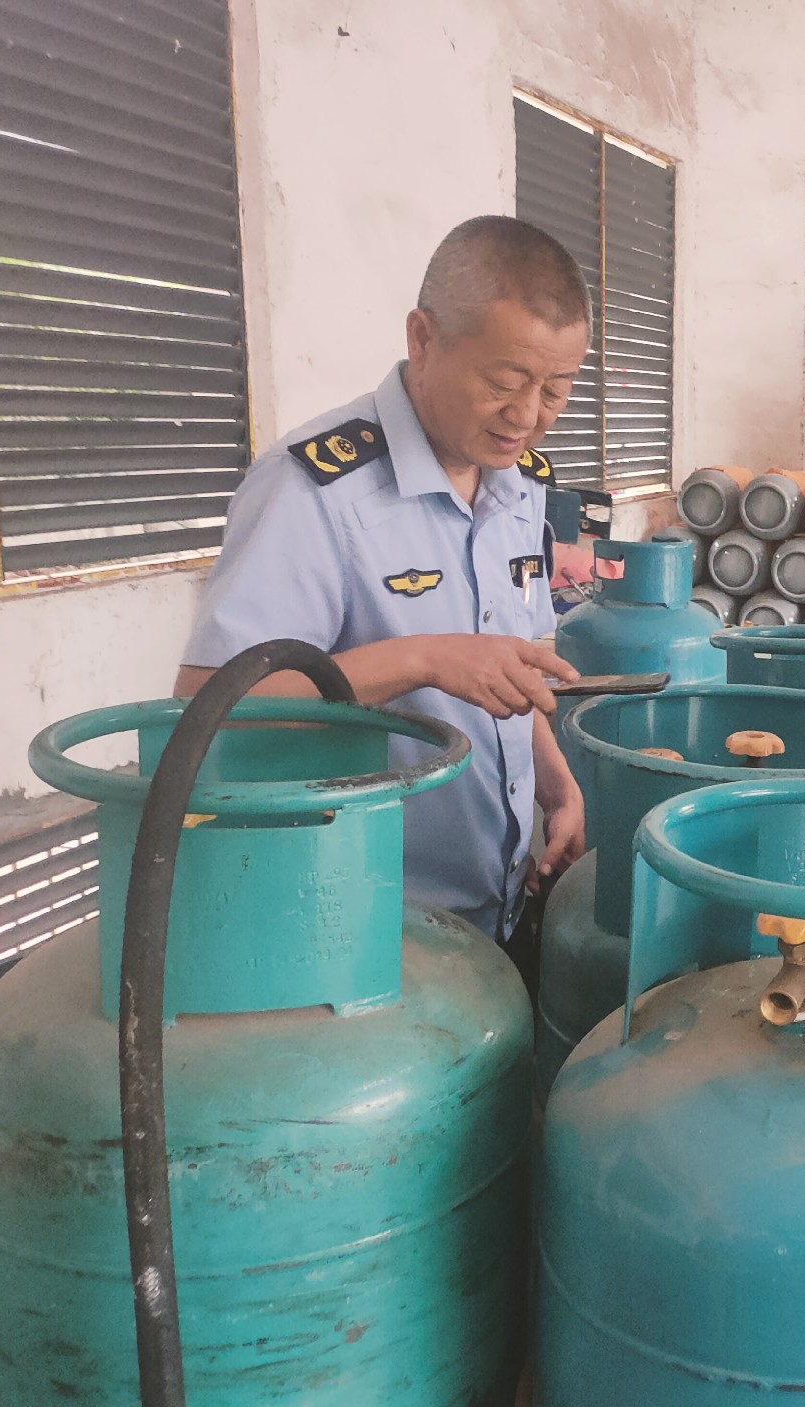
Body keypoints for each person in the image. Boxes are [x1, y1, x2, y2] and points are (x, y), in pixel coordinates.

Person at [178, 215, 591, 961]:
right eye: (504, 383)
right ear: (423, 340)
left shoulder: (519, 485)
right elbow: (212, 708)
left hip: (496, 906)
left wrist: (555, 785)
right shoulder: (314, 494)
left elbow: (506, 666)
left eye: (555, 391)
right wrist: (423, 659)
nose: (527, 418)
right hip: (358, 927)